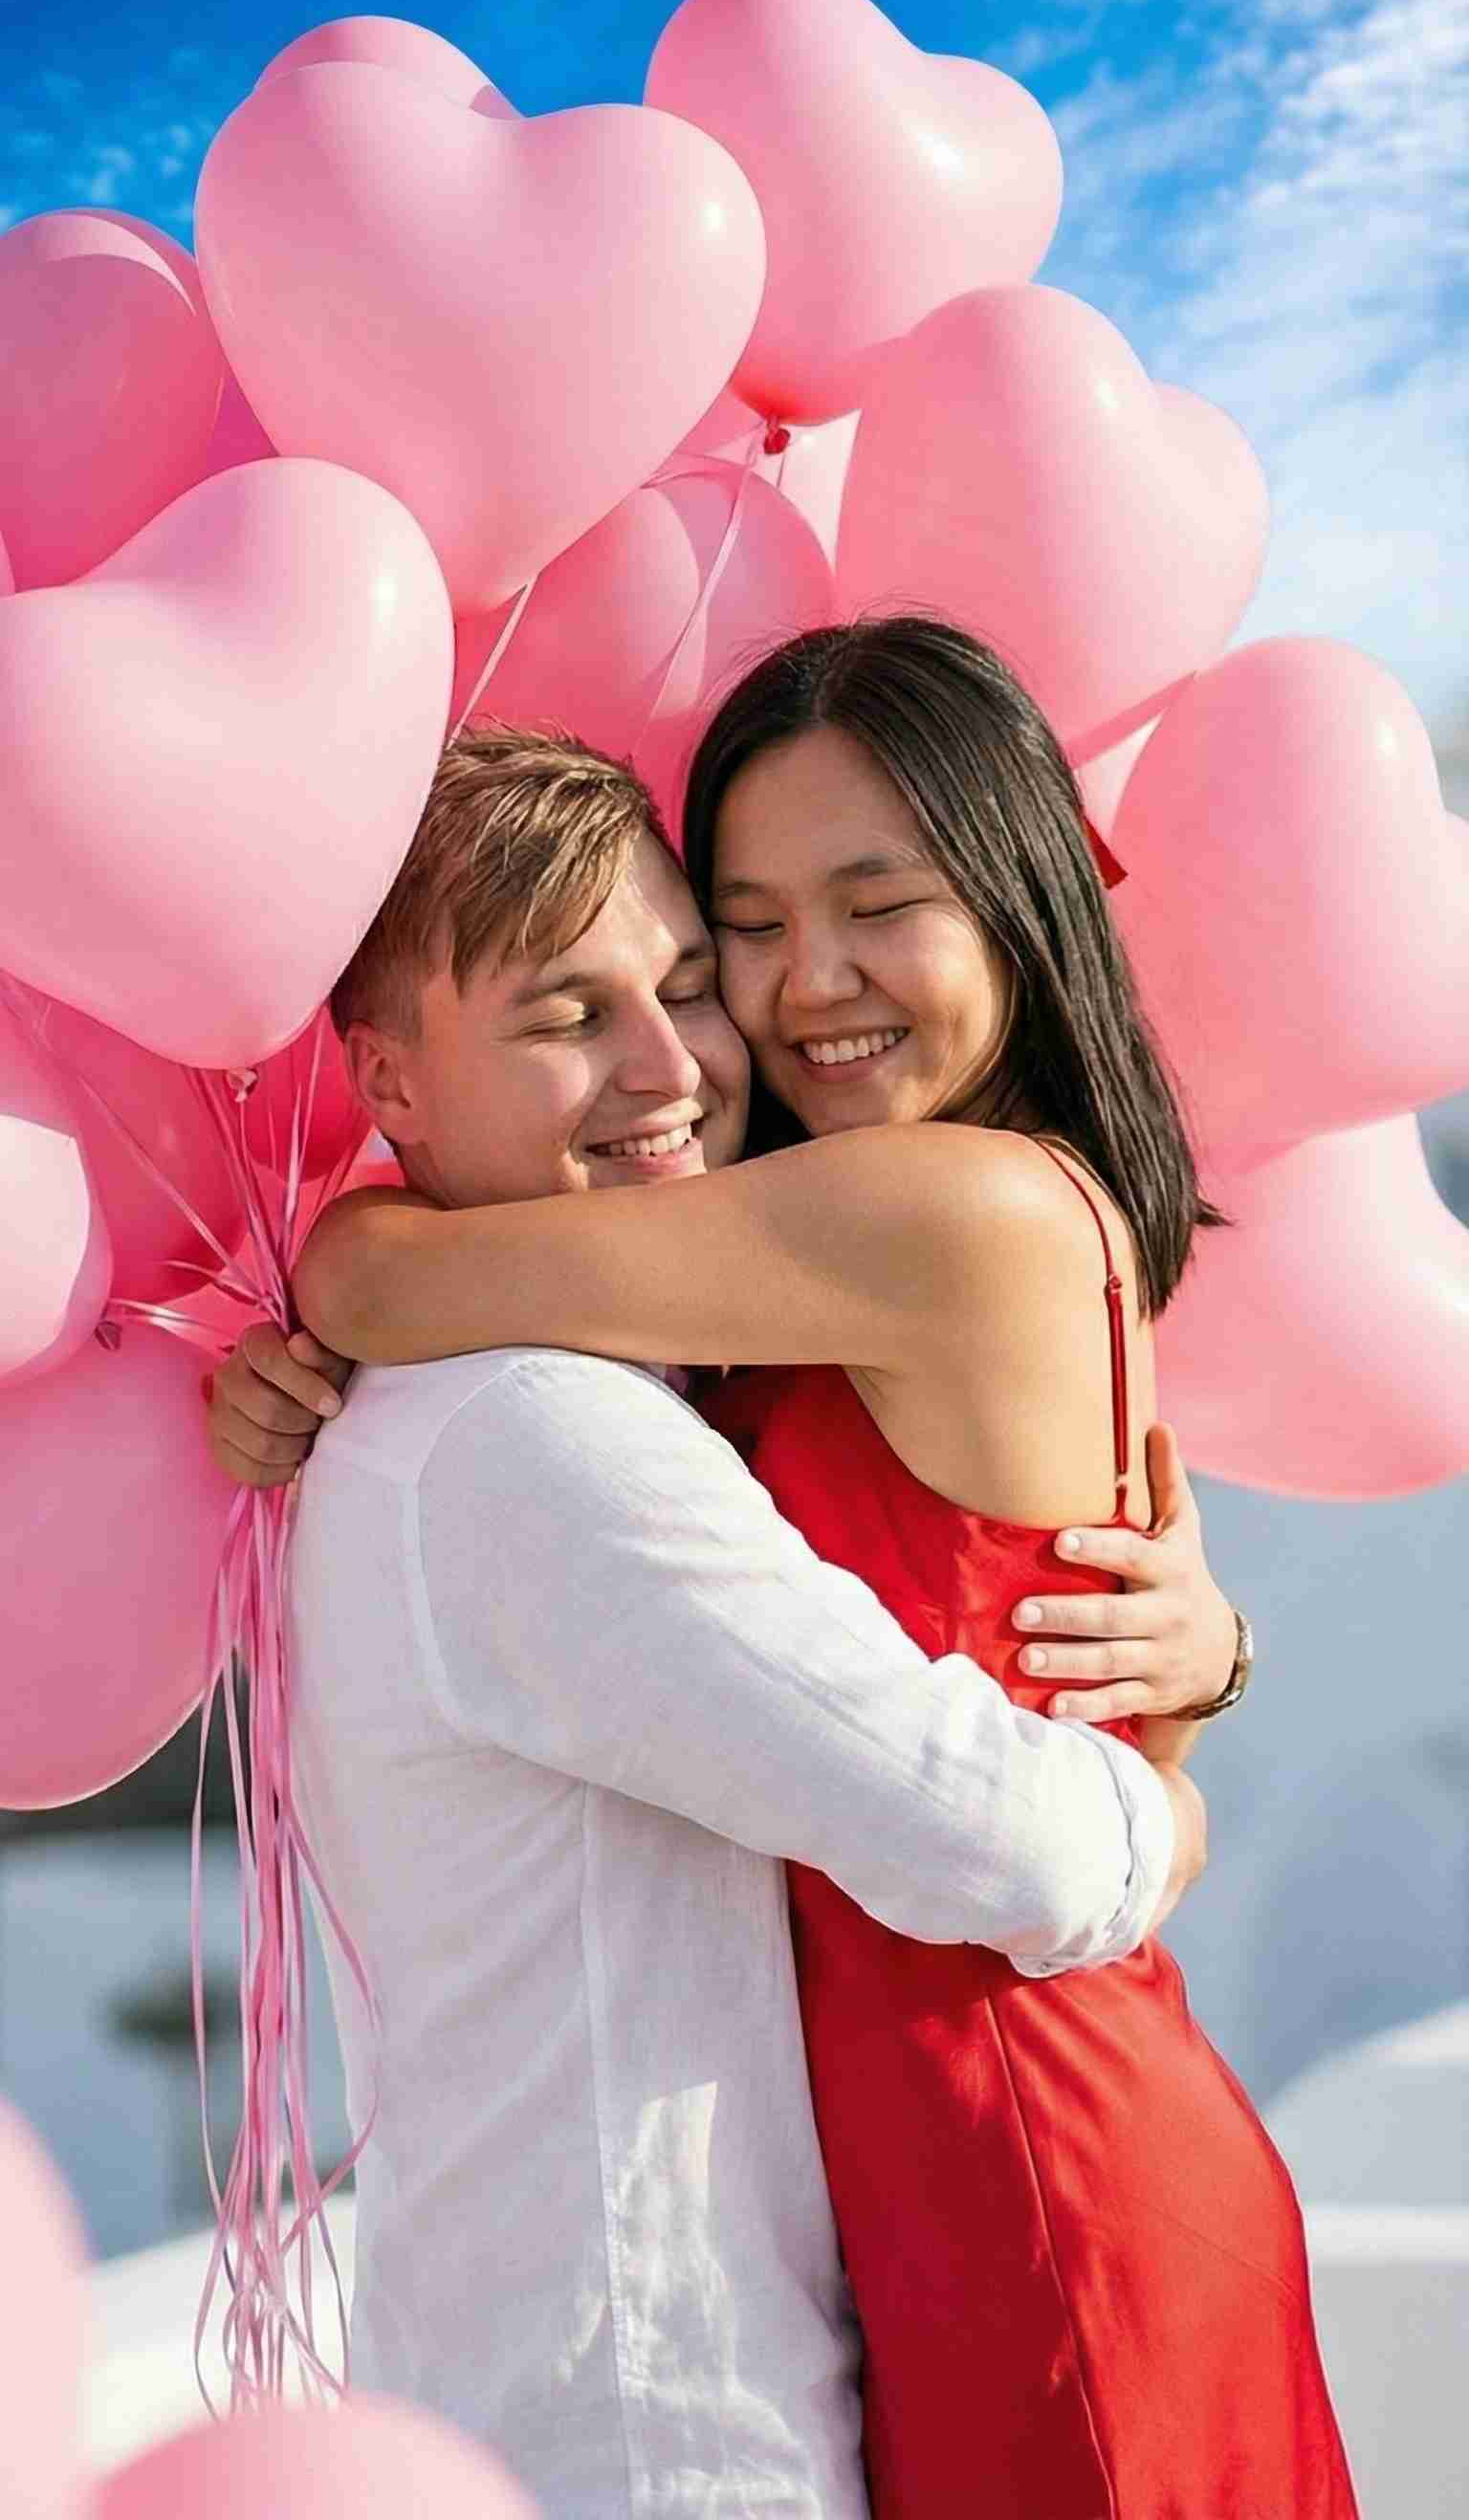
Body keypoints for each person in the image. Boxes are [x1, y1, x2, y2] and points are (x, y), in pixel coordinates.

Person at [216, 622, 1356, 2517]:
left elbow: (389, 1274)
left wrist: (330, 1297)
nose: (802, 986)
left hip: (1030, 2136)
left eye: (877, 900)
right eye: (751, 918)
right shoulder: (769, 1265)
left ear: (1013, 901)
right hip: (911, 2167)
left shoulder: (941, 1201)